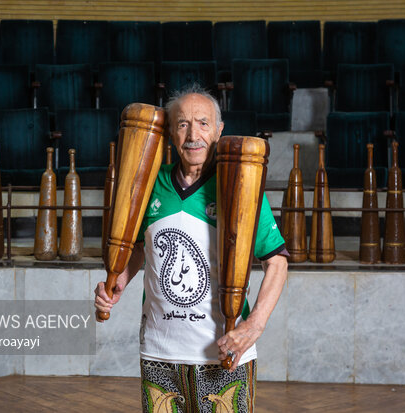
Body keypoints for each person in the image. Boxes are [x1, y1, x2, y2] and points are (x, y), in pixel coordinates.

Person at [94, 84, 288, 413]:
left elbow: (277, 262)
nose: (193, 134)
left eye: (202, 123)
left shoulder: (239, 185)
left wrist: (252, 327)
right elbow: (140, 247)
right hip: (159, 353)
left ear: (219, 130)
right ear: (170, 132)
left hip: (224, 356)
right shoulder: (151, 183)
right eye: (183, 124)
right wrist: (120, 282)